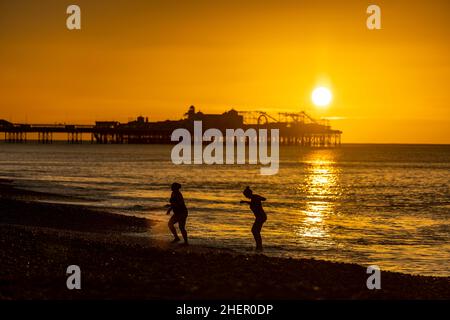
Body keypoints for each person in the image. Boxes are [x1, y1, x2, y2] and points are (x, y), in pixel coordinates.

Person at [240, 186, 267, 251]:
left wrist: (259, 197)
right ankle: (259, 246)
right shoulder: (253, 199)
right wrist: (245, 202)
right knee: (255, 231)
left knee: (255, 231)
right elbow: (253, 203)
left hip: (261, 217)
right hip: (259, 217)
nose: (246, 197)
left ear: (249, 194)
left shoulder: (255, 197)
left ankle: (259, 247)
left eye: (246, 195)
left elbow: (264, 199)